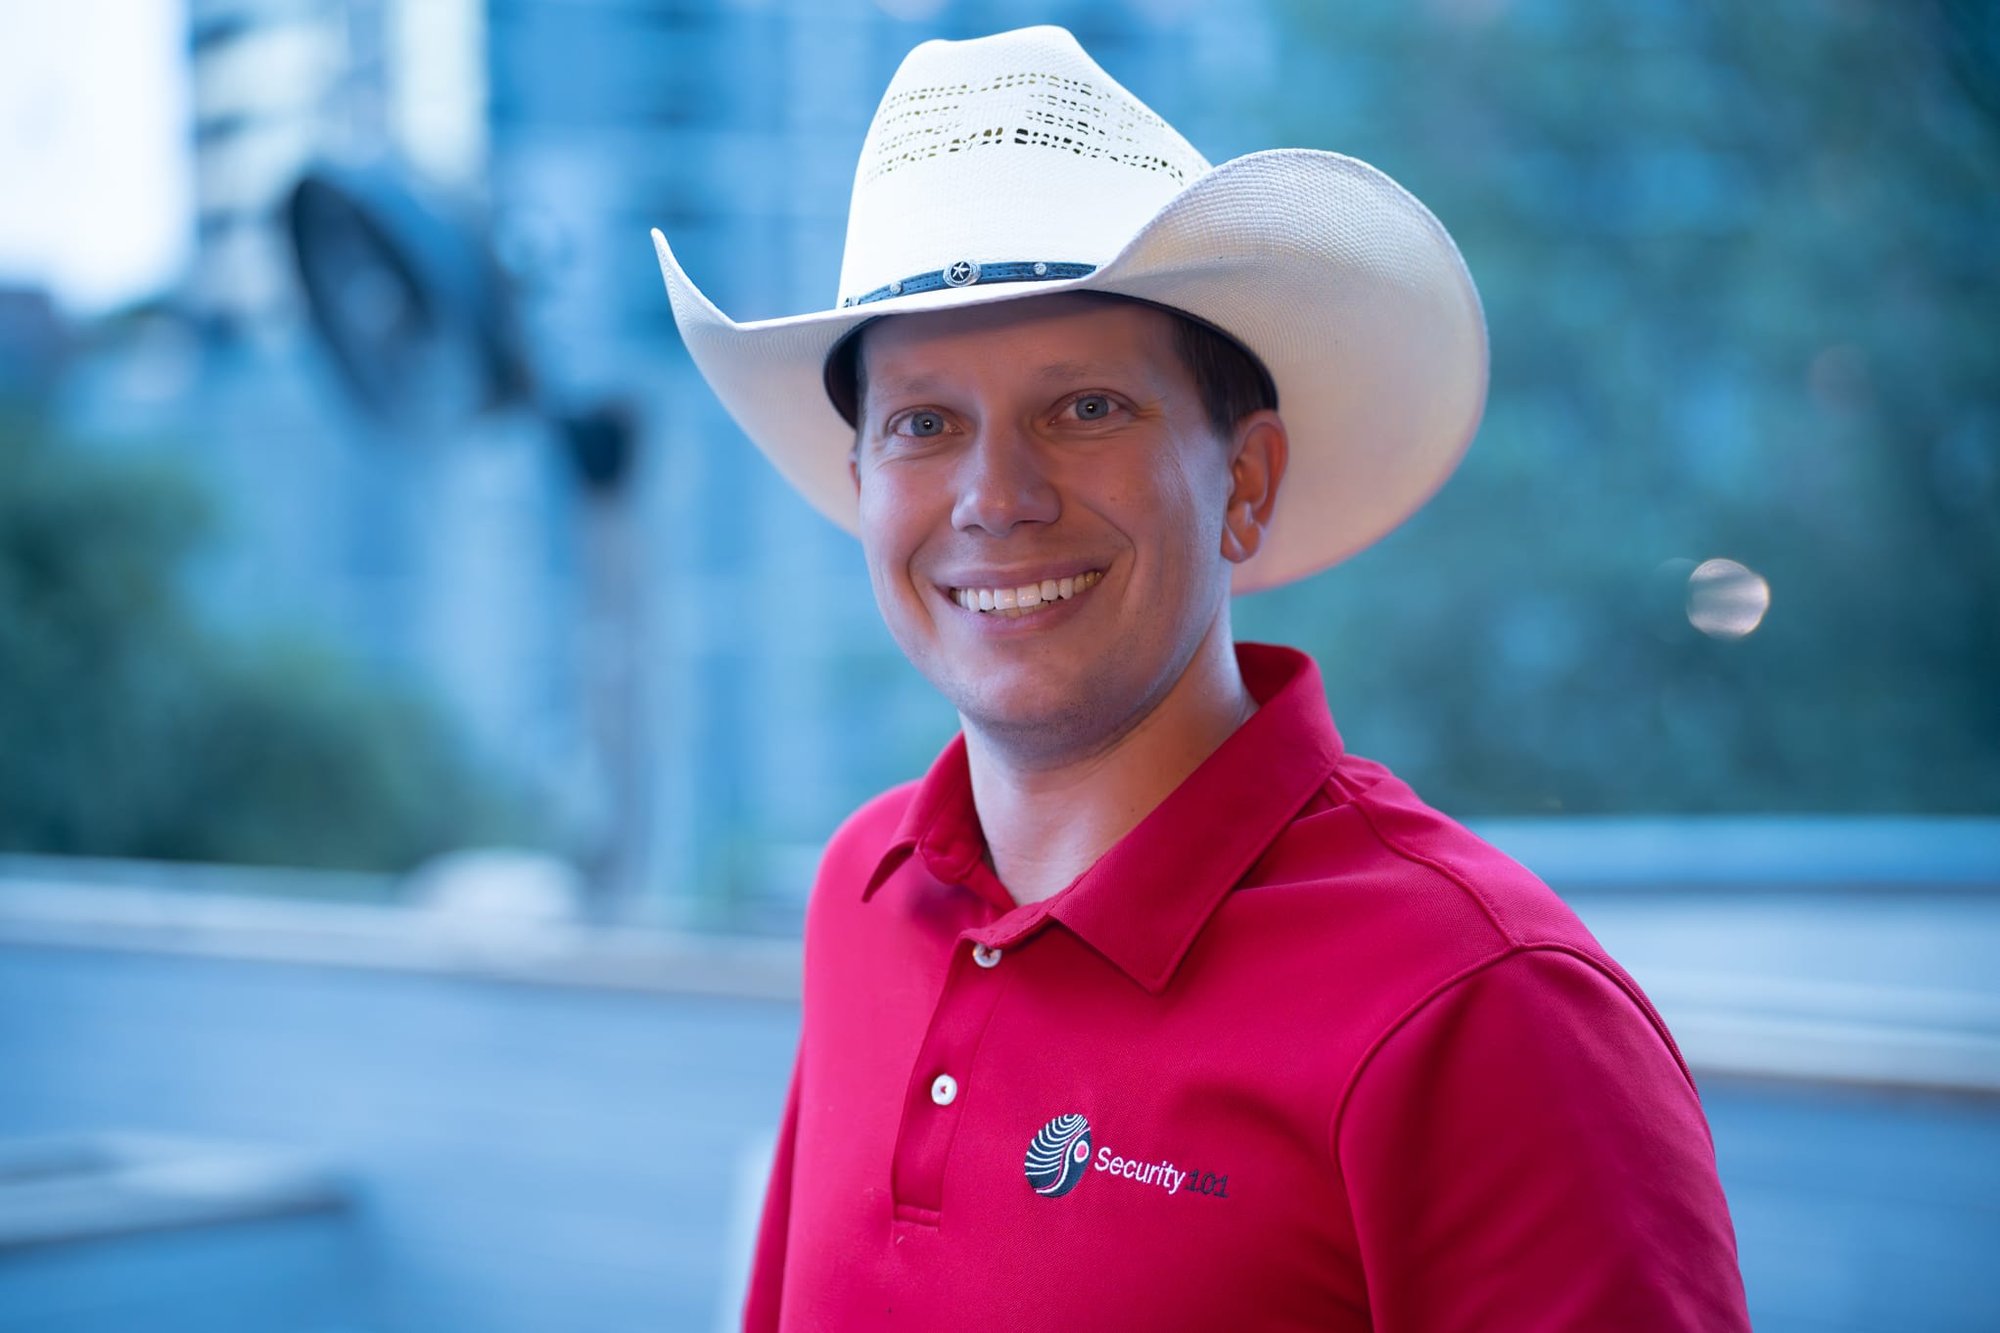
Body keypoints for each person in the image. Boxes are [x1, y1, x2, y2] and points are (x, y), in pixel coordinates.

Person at [652, 24, 1753, 1333]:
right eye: (925, 424)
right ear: (861, 488)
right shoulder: (864, 895)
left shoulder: (1487, 1005)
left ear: (1246, 481)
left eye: (1087, 408)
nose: (995, 498)